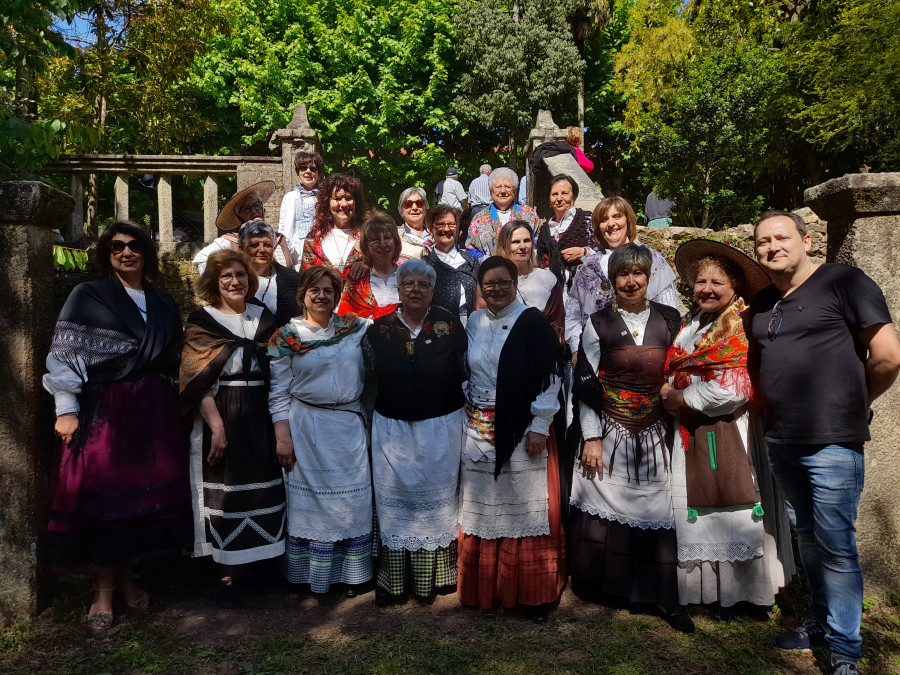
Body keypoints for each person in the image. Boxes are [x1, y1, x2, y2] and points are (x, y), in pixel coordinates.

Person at [747, 211, 900, 675]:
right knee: (808, 539)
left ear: (807, 241)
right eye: (763, 242)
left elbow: (888, 356)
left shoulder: (845, 283)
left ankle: (845, 653)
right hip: (782, 440)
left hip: (833, 442)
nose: (772, 247)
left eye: (781, 238)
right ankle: (820, 622)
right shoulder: (760, 302)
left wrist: (857, 403)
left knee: (836, 545)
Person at [44, 221, 190, 631]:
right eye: (116, 247)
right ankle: (103, 590)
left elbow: (176, 359)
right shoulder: (88, 295)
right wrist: (66, 408)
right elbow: (65, 355)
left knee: (141, 502)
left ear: (147, 252)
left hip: (155, 410)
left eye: (134, 246)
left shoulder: (163, 301)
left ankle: (129, 578)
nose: (126, 253)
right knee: (107, 500)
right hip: (106, 409)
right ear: (106, 253)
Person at [661, 239, 795, 615]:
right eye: (701, 282)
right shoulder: (692, 325)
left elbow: (735, 388)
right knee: (698, 507)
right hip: (690, 429)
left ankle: (743, 595)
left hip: (728, 428)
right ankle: (707, 591)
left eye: (716, 283)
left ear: (734, 287)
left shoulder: (739, 328)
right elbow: (678, 367)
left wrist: (681, 399)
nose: (706, 289)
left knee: (732, 503)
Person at [567, 243, 690, 632]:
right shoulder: (597, 322)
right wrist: (591, 438)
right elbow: (585, 384)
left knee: (655, 507)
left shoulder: (670, 320)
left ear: (650, 277)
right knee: (601, 498)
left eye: (638, 273)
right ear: (612, 279)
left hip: (654, 431)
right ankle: (603, 587)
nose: (631, 281)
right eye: (623, 274)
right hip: (609, 428)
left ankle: (661, 594)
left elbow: (681, 371)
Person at [457, 256, 566, 619]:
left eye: (503, 282)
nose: (496, 289)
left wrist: (539, 426)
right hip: (479, 427)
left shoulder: (533, 322)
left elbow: (552, 377)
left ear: (516, 283)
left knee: (523, 508)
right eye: (489, 284)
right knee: (485, 507)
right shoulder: (474, 322)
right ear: (480, 288)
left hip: (522, 428)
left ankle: (529, 594)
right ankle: (487, 589)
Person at [180, 250, 286, 609]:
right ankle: (227, 575)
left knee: (263, 488)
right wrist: (217, 427)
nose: (234, 282)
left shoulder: (265, 319)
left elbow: (281, 371)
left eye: (240, 275)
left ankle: (259, 569)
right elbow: (195, 380)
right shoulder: (203, 321)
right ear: (214, 282)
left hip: (261, 411)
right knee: (226, 489)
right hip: (222, 410)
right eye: (225, 276)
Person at [364, 260, 468, 605]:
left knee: (438, 503)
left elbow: (466, 370)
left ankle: (439, 577)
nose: (415, 290)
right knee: (396, 504)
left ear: (433, 290)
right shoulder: (377, 329)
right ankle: (396, 579)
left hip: (441, 427)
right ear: (398, 288)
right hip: (392, 430)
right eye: (408, 283)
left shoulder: (451, 325)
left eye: (423, 284)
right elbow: (366, 377)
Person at [268, 266, 373, 599]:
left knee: (352, 501)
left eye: (328, 290)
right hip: (307, 428)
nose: (322, 296)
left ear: (337, 294)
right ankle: (312, 578)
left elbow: (390, 329)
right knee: (310, 504)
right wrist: (282, 438)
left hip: (348, 427)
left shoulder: (354, 328)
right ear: (303, 294)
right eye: (315, 290)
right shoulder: (286, 336)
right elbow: (278, 393)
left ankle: (352, 576)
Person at [565, 196, 678, 357]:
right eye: (604, 219)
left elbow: (669, 312)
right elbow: (573, 313)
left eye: (617, 216)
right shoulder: (588, 266)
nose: (611, 224)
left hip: (642, 355)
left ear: (628, 221)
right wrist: (577, 349)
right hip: (594, 356)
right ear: (598, 227)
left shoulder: (651, 259)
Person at [193, 181, 293, 273]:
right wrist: (219, 286)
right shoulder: (231, 241)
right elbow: (202, 258)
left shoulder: (281, 240)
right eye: (246, 209)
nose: (254, 211)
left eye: (257, 205)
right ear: (239, 217)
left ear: (264, 210)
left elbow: (296, 265)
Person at [495, 220, 564, 342]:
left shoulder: (547, 278)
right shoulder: (494, 282)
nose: (523, 247)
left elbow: (557, 323)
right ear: (504, 246)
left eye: (527, 240)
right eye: (515, 242)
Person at [421, 205, 480, 326]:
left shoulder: (471, 261)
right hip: (438, 330)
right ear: (431, 230)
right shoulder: (425, 265)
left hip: (471, 325)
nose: (446, 229)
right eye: (440, 224)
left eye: (451, 224)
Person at [337, 211, 402, 319]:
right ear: (366, 246)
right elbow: (344, 321)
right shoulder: (357, 280)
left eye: (387, 238)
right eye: (375, 240)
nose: (382, 244)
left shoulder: (407, 277)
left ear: (395, 241)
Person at [237, 220, 301, 327]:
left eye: (267, 245)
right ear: (241, 249)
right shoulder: (233, 280)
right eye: (254, 245)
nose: (262, 250)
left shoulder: (291, 278)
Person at [300, 173, 366, 277]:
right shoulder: (313, 239)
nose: (343, 204)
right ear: (327, 204)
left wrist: (368, 265)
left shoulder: (369, 236)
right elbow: (306, 281)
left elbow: (385, 266)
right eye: (337, 199)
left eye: (348, 198)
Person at [535, 174, 594, 290]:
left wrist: (585, 252)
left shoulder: (588, 220)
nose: (559, 198)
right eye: (554, 194)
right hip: (550, 289)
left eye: (564, 193)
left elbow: (605, 251)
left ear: (574, 196)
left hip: (582, 288)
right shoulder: (544, 229)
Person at [466, 168, 540, 258]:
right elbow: (471, 248)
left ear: (515, 191)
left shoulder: (529, 214)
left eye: (508, 187)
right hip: (491, 269)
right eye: (498, 187)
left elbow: (538, 242)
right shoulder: (480, 218)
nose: (503, 191)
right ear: (491, 192)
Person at [279, 151, 324, 267]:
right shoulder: (290, 198)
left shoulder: (325, 198)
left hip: (320, 254)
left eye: (313, 169)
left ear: (318, 174)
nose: (308, 171)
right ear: (298, 173)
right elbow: (283, 229)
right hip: (296, 255)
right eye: (303, 168)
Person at [396, 187, 431, 263]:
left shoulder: (436, 236)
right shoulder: (393, 237)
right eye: (408, 204)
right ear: (402, 211)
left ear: (425, 209)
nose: (414, 208)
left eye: (419, 203)